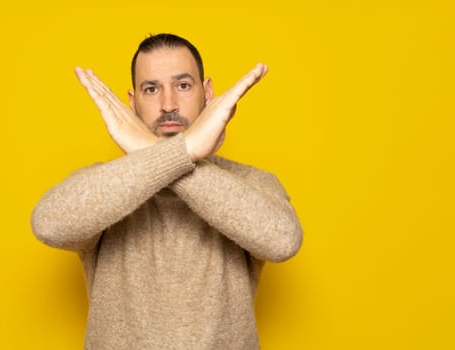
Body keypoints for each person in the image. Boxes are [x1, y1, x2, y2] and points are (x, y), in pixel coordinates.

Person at [31, 33, 302, 349]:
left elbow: (283, 240)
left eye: (183, 86)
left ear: (208, 93)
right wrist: (180, 153)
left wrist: (161, 152)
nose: (168, 104)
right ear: (132, 104)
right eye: (151, 89)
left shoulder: (250, 183)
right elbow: (47, 223)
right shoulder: (105, 184)